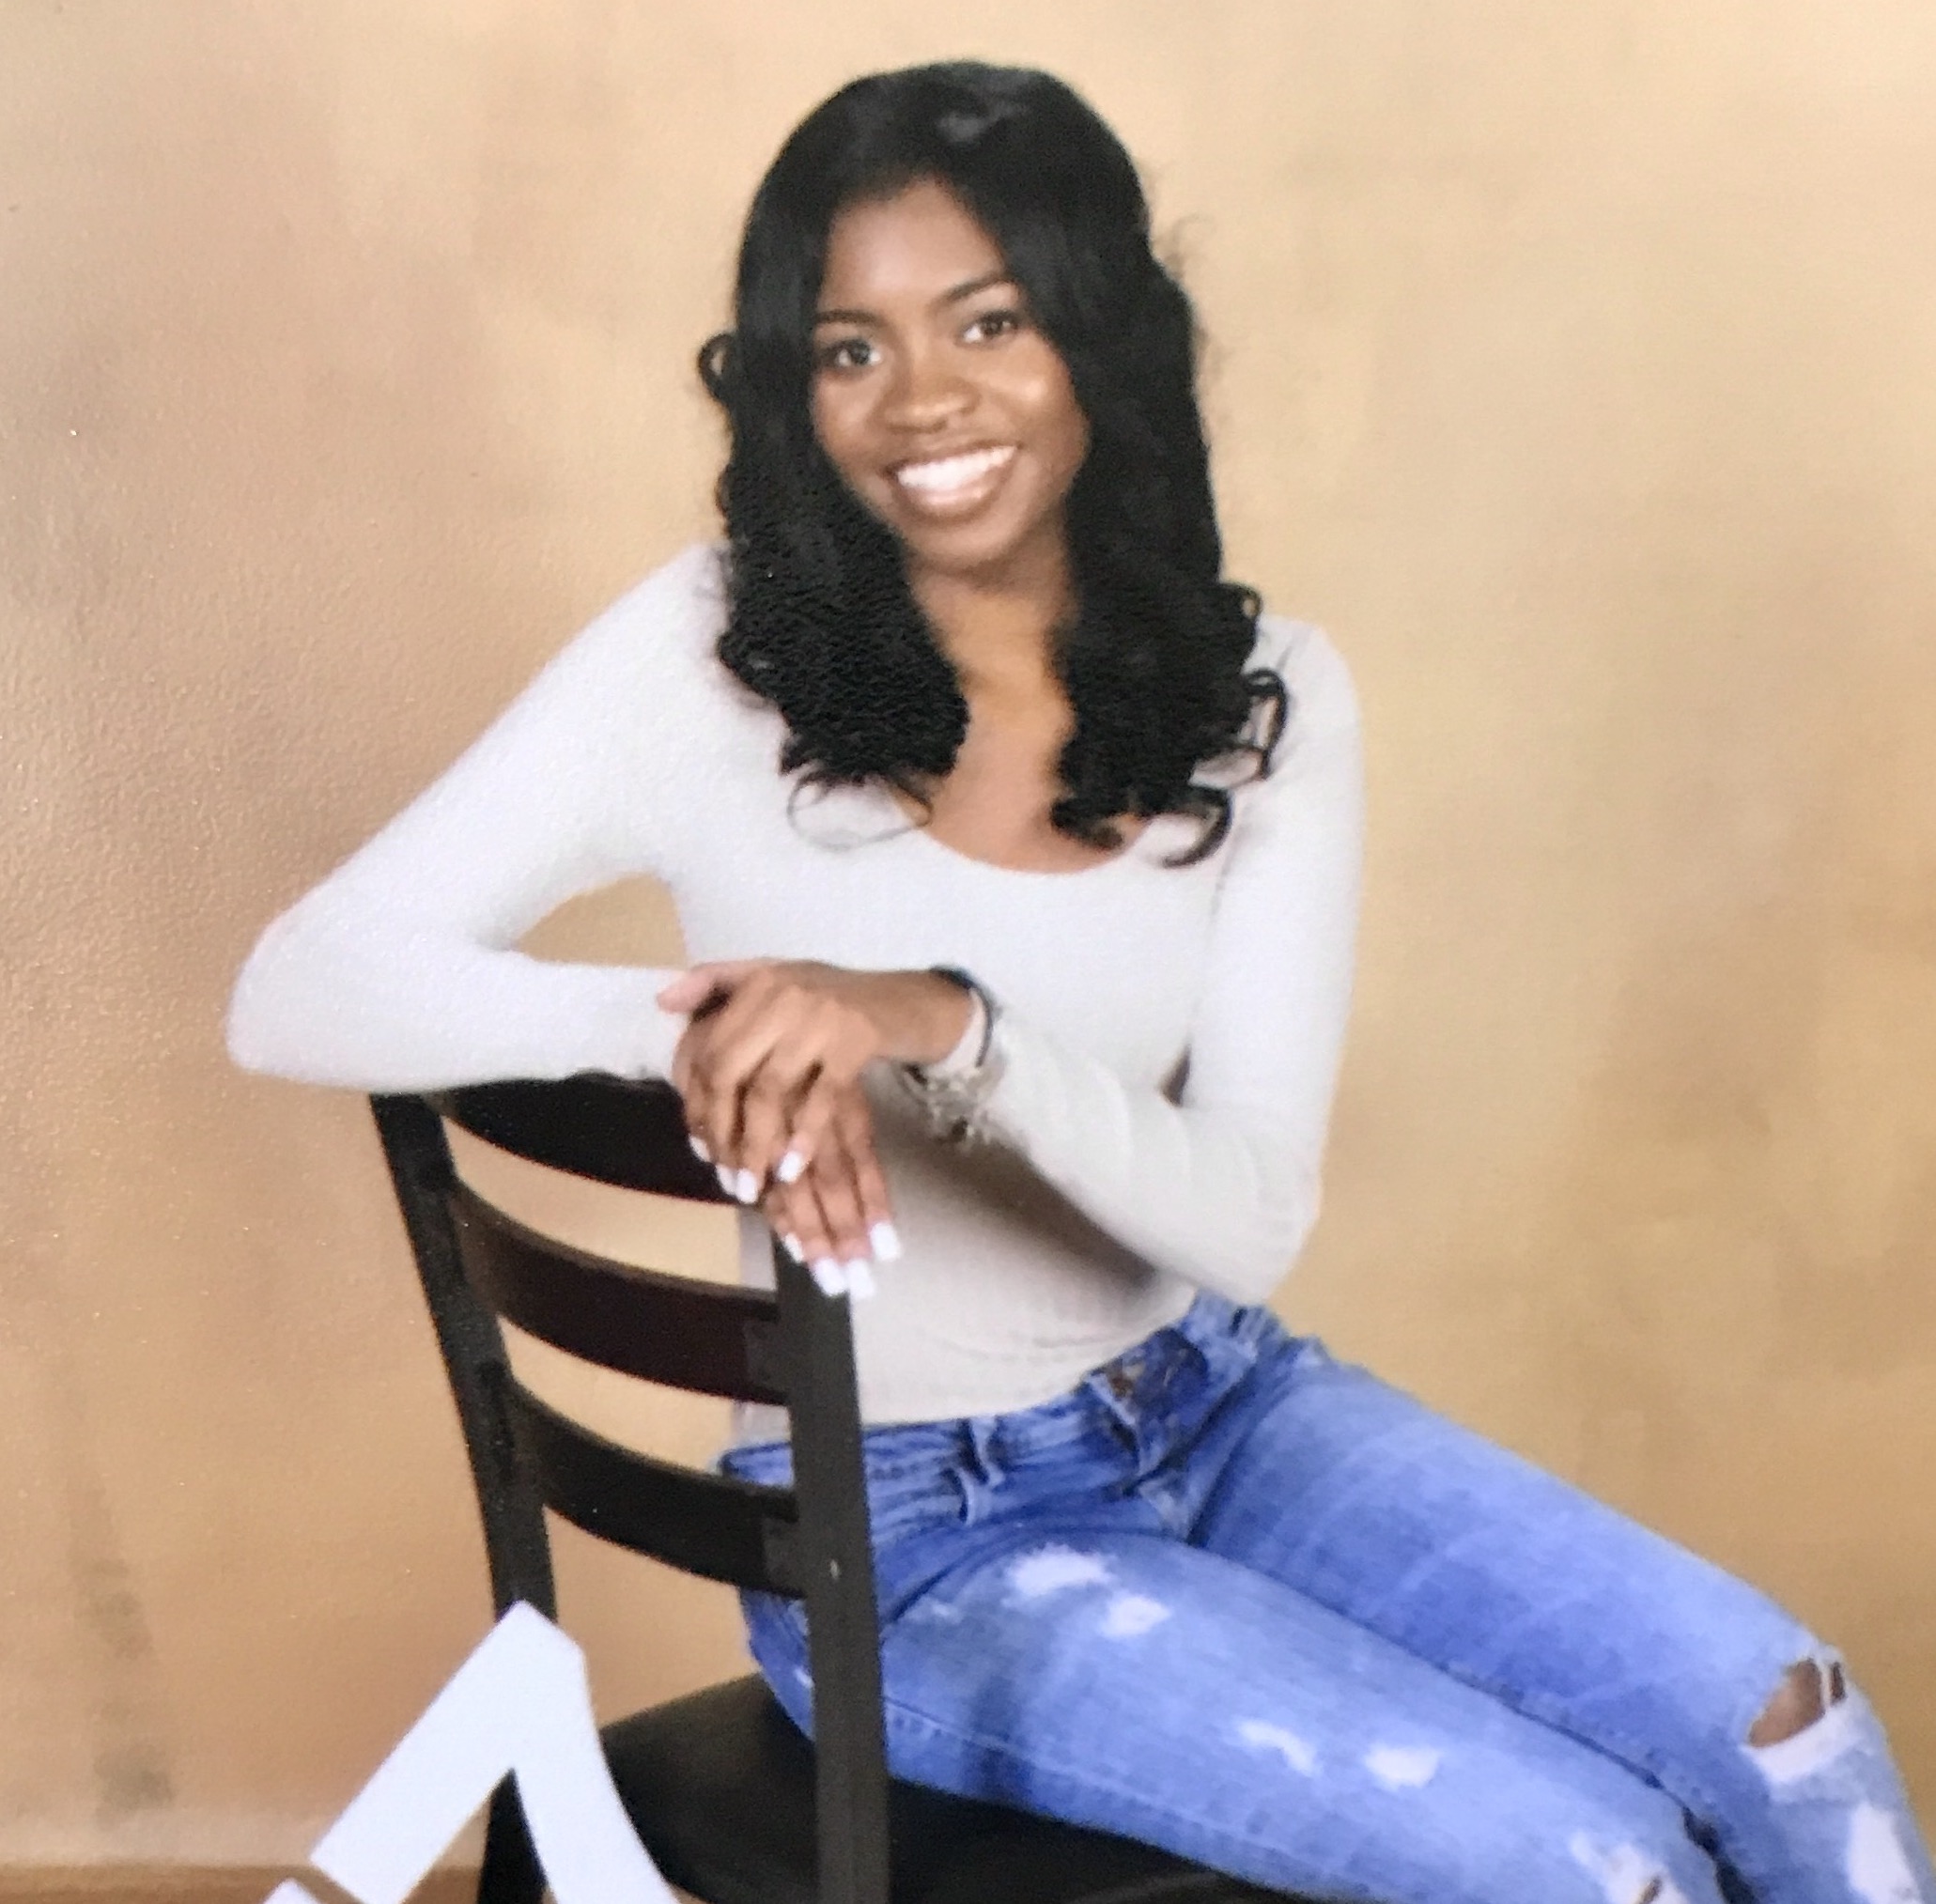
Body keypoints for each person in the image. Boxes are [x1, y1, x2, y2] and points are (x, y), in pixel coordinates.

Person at [225, 59, 1931, 1904]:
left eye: (989, 320)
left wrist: (939, 1020)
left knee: (1788, 1719)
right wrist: (709, 1015)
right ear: (793, 392)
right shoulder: (701, 654)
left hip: (1218, 1402)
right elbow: (300, 985)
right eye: (848, 347)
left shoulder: (1264, 697)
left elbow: (1247, 1214)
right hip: (909, 1546)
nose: (922, 400)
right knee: (1583, 1862)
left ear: (1094, 343)